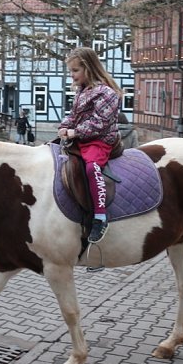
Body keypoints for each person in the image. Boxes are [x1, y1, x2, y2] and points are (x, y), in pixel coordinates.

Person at [57, 47, 123, 244]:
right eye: (71, 71)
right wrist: (65, 126)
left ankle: (100, 217)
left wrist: (74, 132)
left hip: (99, 140)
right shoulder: (82, 91)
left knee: (91, 168)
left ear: (88, 68)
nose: (72, 75)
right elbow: (74, 115)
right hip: (81, 138)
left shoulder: (107, 93)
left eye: (75, 70)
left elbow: (99, 122)